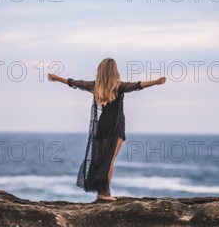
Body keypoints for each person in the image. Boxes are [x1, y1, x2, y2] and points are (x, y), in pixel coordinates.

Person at [48, 58, 166, 201]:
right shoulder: (119, 86)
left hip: (103, 125)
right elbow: (137, 85)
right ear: (114, 71)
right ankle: (104, 193)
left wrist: (57, 78)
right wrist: (155, 82)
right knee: (109, 160)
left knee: (102, 160)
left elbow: (75, 82)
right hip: (116, 126)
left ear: (101, 71)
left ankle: (103, 192)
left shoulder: (97, 86)